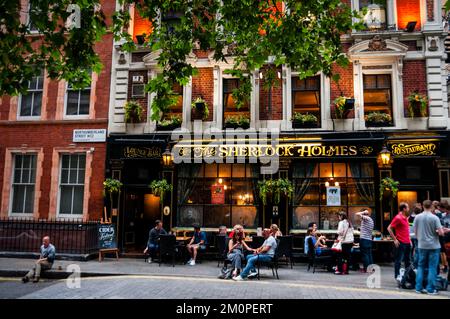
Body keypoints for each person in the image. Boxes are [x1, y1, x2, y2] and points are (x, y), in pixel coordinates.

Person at [414, 200, 448, 295]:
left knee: (420, 267)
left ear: (423, 206)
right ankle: (430, 289)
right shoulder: (435, 218)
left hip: (422, 245)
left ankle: (418, 287)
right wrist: (443, 231)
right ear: (431, 207)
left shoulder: (417, 217)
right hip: (434, 246)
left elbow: (416, 232)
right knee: (432, 268)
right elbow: (441, 233)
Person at [387, 202, 411, 280]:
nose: (408, 209)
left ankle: (408, 275)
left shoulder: (405, 217)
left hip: (407, 242)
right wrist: (395, 239)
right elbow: (389, 228)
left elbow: (406, 230)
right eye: (407, 207)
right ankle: (397, 276)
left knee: (408, 260)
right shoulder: (398, 217)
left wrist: (410, 240)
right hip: (401, 242)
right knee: (399, 260)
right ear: (404, 209)